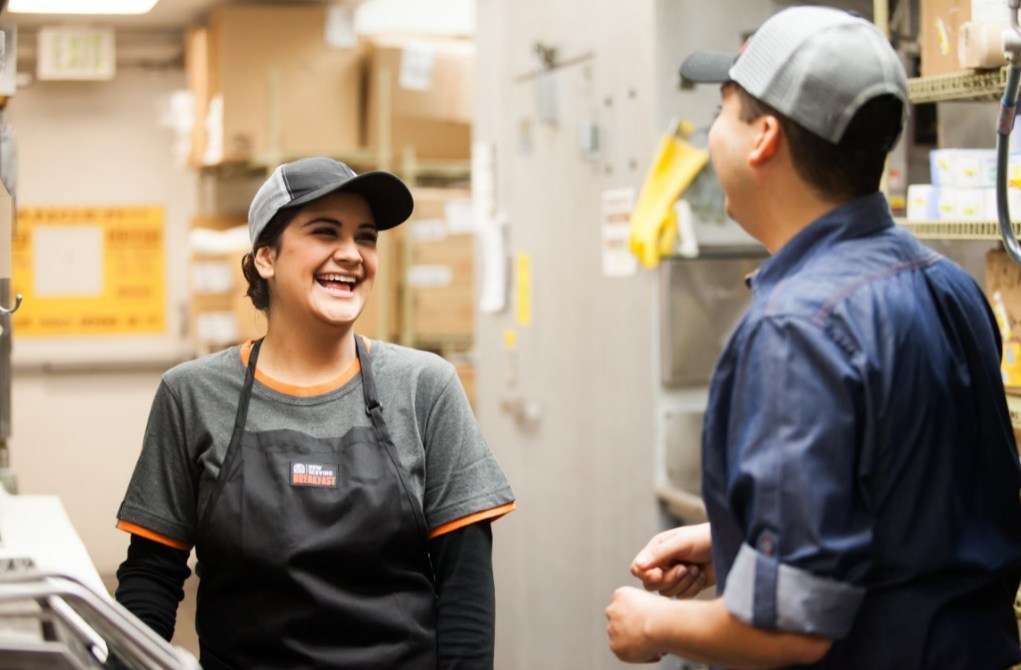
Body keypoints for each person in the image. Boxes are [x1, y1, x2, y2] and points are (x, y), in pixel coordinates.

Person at [605, 6, 1021, 668]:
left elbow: (792, 630)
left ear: (762, 137)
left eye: (723, 110)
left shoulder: (796, 328)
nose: (712, 132)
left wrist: (653, 623)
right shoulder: (947, 285)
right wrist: (739, 540)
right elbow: (915, 511)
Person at [114, 157, 516, 669]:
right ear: (266, 258)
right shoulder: (192, 395)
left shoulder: (423, 388)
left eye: (365, 238)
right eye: (326, 232)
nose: (351, 254)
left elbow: (466, 587)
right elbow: (153, 575)